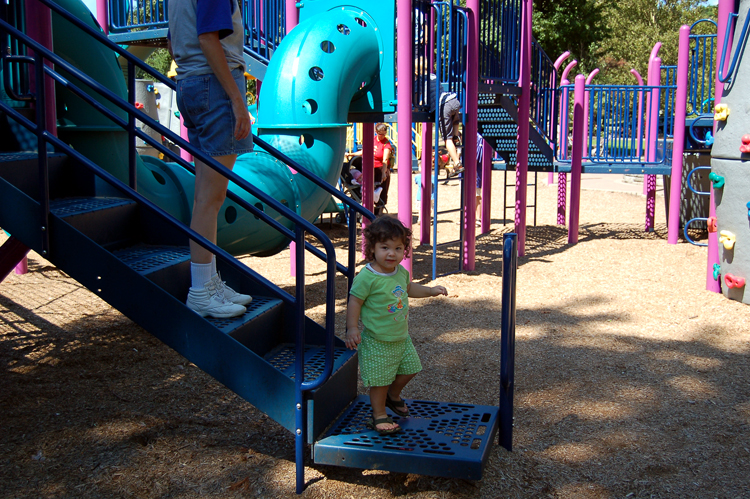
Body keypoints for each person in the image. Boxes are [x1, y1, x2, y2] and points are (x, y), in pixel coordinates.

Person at [168, 0, 253, 318]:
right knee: (211, 197)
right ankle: (202, 290)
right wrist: (236, 99)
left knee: (206, 195)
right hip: (214, 85)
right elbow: (208, 38)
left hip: (190, 82)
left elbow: (174, 39)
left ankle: (209, 280)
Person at [345, 216, 448, 435]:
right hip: (378, 340)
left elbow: (408, 288)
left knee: (411, 369)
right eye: (385, 247)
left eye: (398, 248)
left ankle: (393, 396)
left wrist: (430, 291)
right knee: (380, 381)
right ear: (372, 249)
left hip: (401, 337)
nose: (392, 253)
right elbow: (355, 300)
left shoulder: (400, 272)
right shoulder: (367, 277)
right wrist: (352, 328)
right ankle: (379, 413)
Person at [415, 61, 463, 177]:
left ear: (416, 71)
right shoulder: (433, 76)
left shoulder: (419, 80)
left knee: (447, 139)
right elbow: (432, 93)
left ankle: (457, 164)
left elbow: (418, 96)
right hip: (453, 100)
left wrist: (417, 106)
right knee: (455, 120)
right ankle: (456, 135)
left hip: (442, 106)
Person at [344, 123, 394, 215]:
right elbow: (364, 151)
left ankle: (379, 211)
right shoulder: (373, 140)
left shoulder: (386, 144)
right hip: (370, 169)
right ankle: (366, 207)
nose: (382, 136)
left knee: (381, 189)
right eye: (380, 134)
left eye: (384, 134)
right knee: (366, 187)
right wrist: (351, 154)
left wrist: (384, 172)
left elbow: (385, 159)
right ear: (376, 132)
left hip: (380, 169)